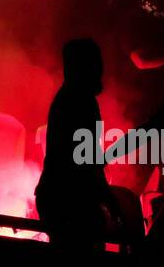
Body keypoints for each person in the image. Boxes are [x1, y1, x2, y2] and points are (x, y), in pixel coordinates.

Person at [34, 38, 120, 254]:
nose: (101, 69)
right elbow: (86, 161)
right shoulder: (81, 101)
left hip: (58, 198)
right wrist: (107, 197)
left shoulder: (69, 98)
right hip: (71, 202)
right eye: (96, 63)